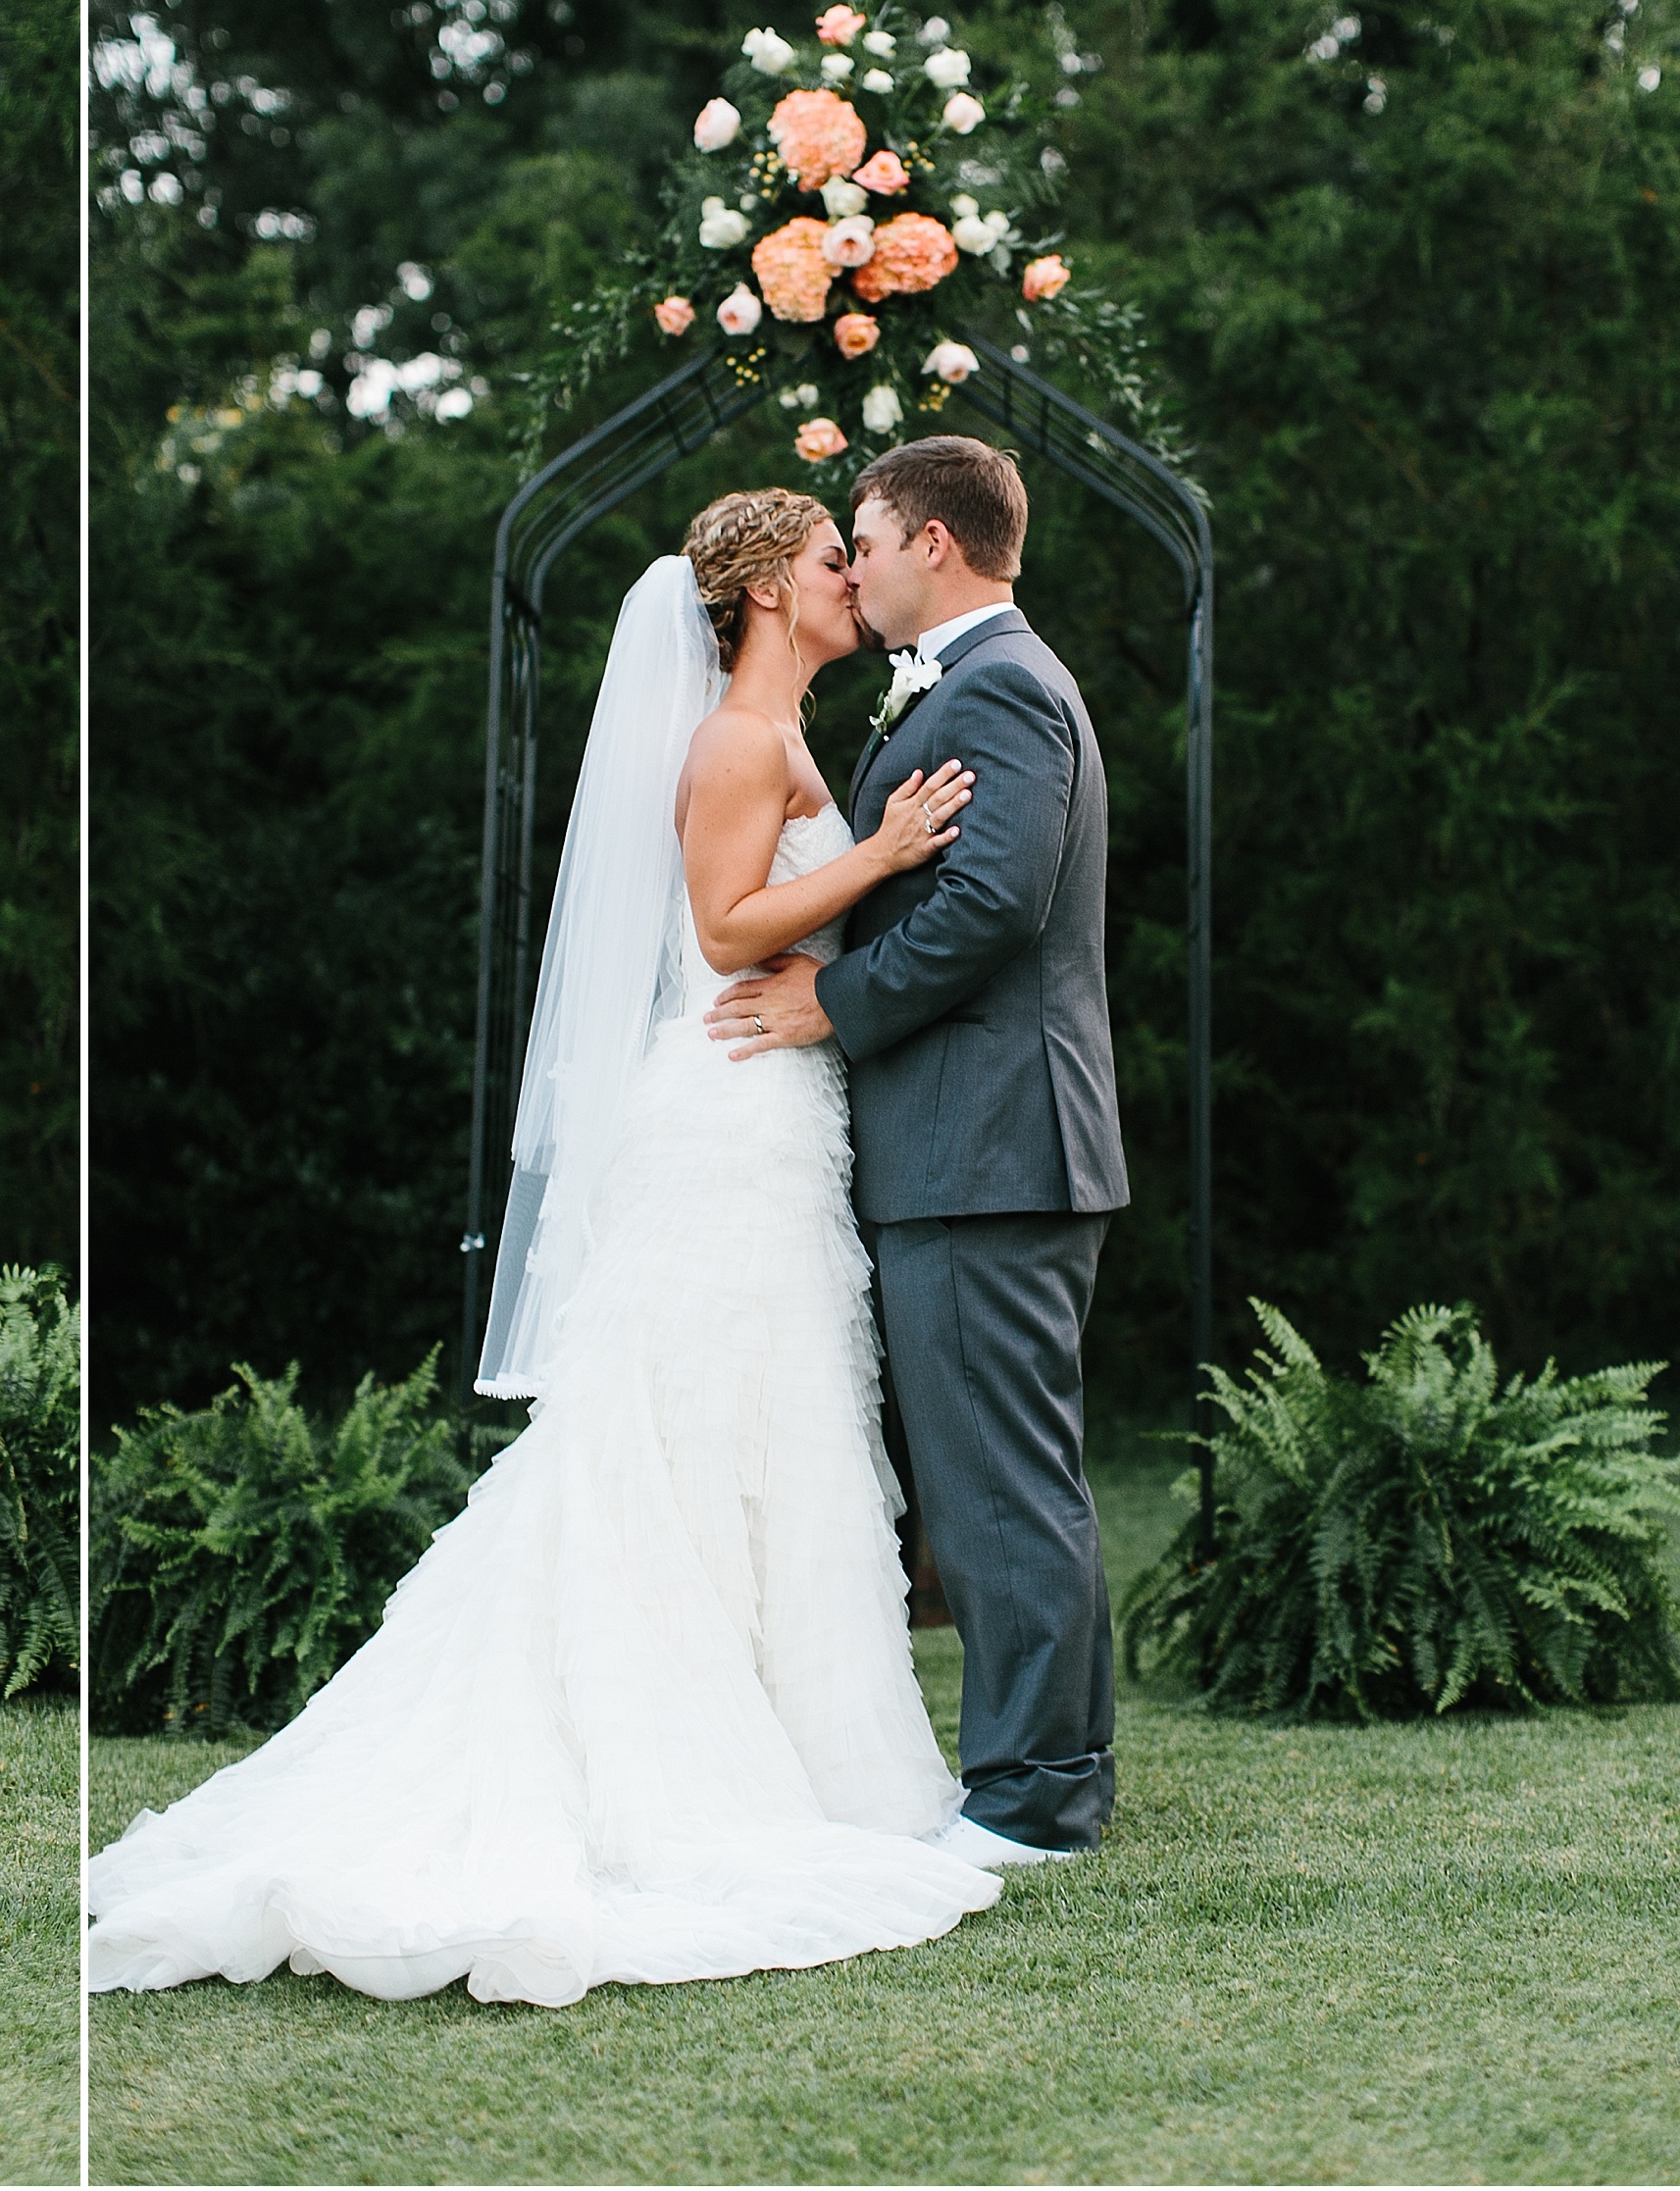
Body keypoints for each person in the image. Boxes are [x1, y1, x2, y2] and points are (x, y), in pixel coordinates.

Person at [86, 486, 1002, 2009]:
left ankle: (801, 1743)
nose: (855, 575)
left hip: (776, 1121)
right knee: (678, 1445)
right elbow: (723, 930)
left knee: (761, 1442)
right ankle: (681, 1755)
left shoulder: (777, 737)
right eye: (833, 560)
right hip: (723, 1123)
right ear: (770, 588)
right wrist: (888, 851)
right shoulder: (733, 740)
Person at [705, 435, 1127, 1865]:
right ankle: (1054, 1765)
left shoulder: (1000, 687)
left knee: (998, 1479)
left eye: (868, 538)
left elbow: (994, 905)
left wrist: (835, 996)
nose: (858, 563)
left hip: (990, 1141)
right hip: (983, 1143)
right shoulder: (987, 683)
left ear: (931, 543)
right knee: (1008, 1472)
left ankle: (1034, 1795)